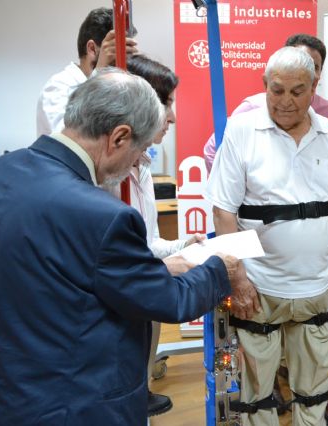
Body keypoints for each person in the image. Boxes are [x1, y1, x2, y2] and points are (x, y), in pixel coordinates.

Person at [0, 69, 243, 425]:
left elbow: (58, 278)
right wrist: (220, 267)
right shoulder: (103, 215)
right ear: (119, 137)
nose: (136, 163)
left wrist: (160, 266)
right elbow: (169, 300)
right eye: (139, 151)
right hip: (78, 405)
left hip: (4, 393)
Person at [206, 46, 328, 425]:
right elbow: (224, 212)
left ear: (314, 87)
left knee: (316, 390)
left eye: (297, 91)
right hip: (258, 288)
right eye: (277, 90)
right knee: (256, 396)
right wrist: (237, 278)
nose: (286, 101)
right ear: (264, 86)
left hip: (318, 288)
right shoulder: (241, 132)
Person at [120, 54, 189, 417]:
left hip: (143, 296)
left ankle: (141, 391)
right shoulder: (107, 177)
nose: (173, 117)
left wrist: (187, 246)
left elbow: (148, 243)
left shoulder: (142, 168)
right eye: (166, 104)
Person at [203, 33, 328, 172]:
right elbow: (213, 149)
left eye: (314, 67)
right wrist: (237, 184)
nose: (308, 71)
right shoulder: (252, 108)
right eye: (299, 62)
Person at [36, 7, 138, 136]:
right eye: (115, 56)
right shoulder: (59, 87)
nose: (124, 65)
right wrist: (99, 73)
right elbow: (66, 141)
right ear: (92, 49)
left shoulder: (111, 87)